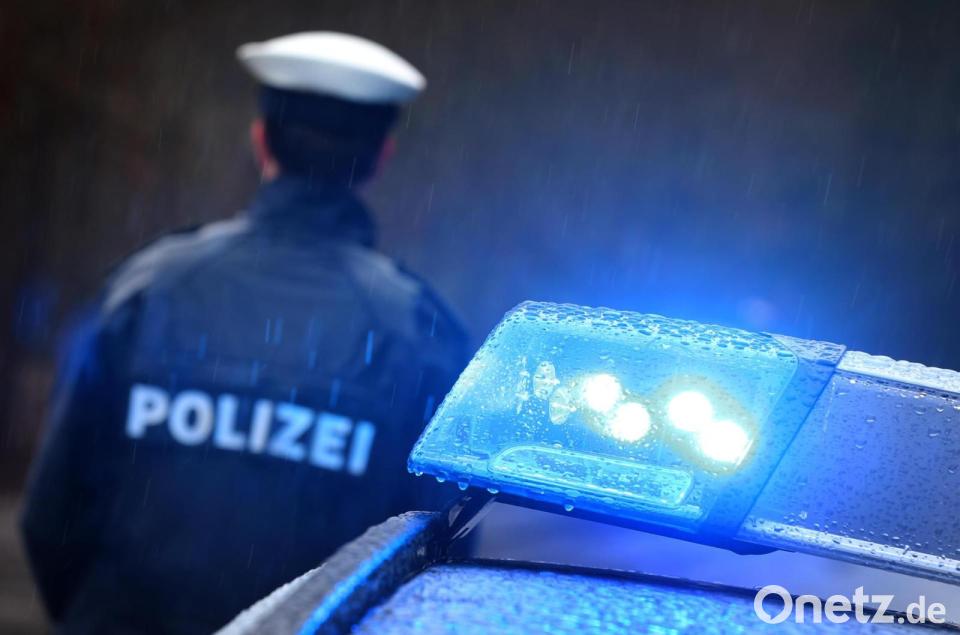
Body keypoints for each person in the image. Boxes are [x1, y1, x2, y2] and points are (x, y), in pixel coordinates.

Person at [20, 32, 469, 634]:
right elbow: (433, 557)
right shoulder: (419, 334)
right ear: (380, 157)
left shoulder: (148, 291)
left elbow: (52, 516)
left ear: (260, 140)